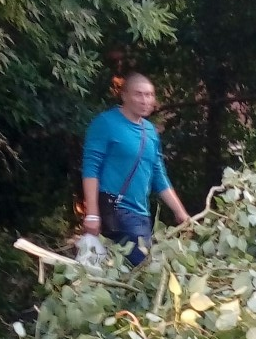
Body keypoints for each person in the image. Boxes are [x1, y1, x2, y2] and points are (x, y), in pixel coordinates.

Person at [80, 73, 189, 266]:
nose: (145, 100)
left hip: (142, 215)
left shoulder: (150, 131)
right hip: (117, 211)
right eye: (139, 94)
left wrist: (180, 213)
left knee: (125, 276)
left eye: (149, 95)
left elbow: (158, 174)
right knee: (144, 269)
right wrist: (92, 214)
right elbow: (91, 168)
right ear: (124, 96)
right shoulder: (105, 123)